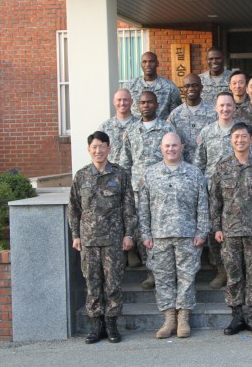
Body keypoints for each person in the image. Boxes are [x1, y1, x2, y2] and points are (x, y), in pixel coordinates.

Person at [210, 122, 252, 336]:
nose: (240, 140)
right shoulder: (222, 167)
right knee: (233, 274)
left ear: (251, 139)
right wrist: (216, 227)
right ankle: (236, 315)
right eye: (236, 137)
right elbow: (215, 200)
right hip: (230, 231)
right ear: (230, 140)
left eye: (244, 137)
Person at [138, 132, 210, 339]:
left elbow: (202, 205)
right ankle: (169, 318)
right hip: (159, 236)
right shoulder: (150, 174)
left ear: (182, 147)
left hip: (187, 235)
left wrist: (201, 231)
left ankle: (183, 318)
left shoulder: (194, 173)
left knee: (187, 278)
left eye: (174, 145)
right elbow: (144, 208)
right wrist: (145, 234)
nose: (171, 149)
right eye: (167, 146)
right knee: (163, 278)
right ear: (161, 148)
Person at [68, 131, 137, 344]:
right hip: (89, 241)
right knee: (93, 283)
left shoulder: (120, 174)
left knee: (113, 284)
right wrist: (76, 235)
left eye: (102, 146)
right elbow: (74, 208)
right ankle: (96, 326)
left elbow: (129, 206)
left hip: (114, 240)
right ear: (89, 150)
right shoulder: (81, 176)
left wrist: (128, 234)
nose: (98, 151)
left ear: (109, 148)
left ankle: (111, 325)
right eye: (94, 147)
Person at [125, 91, 181, 290]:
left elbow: (175, 155)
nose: (145, 105)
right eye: (142, 102)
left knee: (166, 231)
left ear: (157, 105)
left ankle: (171, 272)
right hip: (138, 188)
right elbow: (126, 161)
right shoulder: (131, 130)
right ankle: (152, 273)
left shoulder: (167, 127)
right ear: (137, 106)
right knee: (145, 231)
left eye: (149, 102)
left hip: (164, 187)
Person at [194, 91, 240, 289]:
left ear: (234, 107)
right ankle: (220, 269)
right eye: (221, 105)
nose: (225, 109)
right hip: (212, 190)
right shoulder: (206, 132)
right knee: (214, 232)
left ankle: (236, 271)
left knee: (235, 232)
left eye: (229, 105)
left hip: (237, 192)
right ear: (216, 108)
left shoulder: (242, 131)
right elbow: (199, 163)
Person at [98, 88, 141, 268]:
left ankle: (133, 249)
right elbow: (98, 151)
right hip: (112, 177)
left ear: (131, 102)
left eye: (125, 100)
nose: (122, 103)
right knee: (115, 213)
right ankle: (121, 252)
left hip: (134, 176)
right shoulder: (105, 127)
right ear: (114, 102)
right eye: (119, 100)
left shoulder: (139, 125)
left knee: (133, 212)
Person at [166, 74, 217, 163]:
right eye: (187, 86)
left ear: (201, 87)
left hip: (208, 164)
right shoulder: (175, 114)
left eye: (195, 85)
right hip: (183, 167)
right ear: (183, 89)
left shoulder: (214, 112)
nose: (191, 88)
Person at [124, 51, 182, 120]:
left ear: (157, 63)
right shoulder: (130, 86)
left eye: (151, 61)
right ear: (141, 65)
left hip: (162, 128)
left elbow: (176, 112)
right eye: (144, 62)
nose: (148, 64)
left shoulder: (170, 87)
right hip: (136, 128)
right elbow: (124, 109)